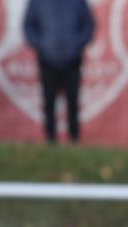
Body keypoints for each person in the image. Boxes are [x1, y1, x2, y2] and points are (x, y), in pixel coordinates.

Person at [24, 0, 95, 144]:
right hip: (47, 60)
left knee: (73, 101)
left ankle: (74, 139)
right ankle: (51, 139)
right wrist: (41, 45)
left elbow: (89, 25)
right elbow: (28, 25)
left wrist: (77, 45)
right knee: (49, 100)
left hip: (73, 60)